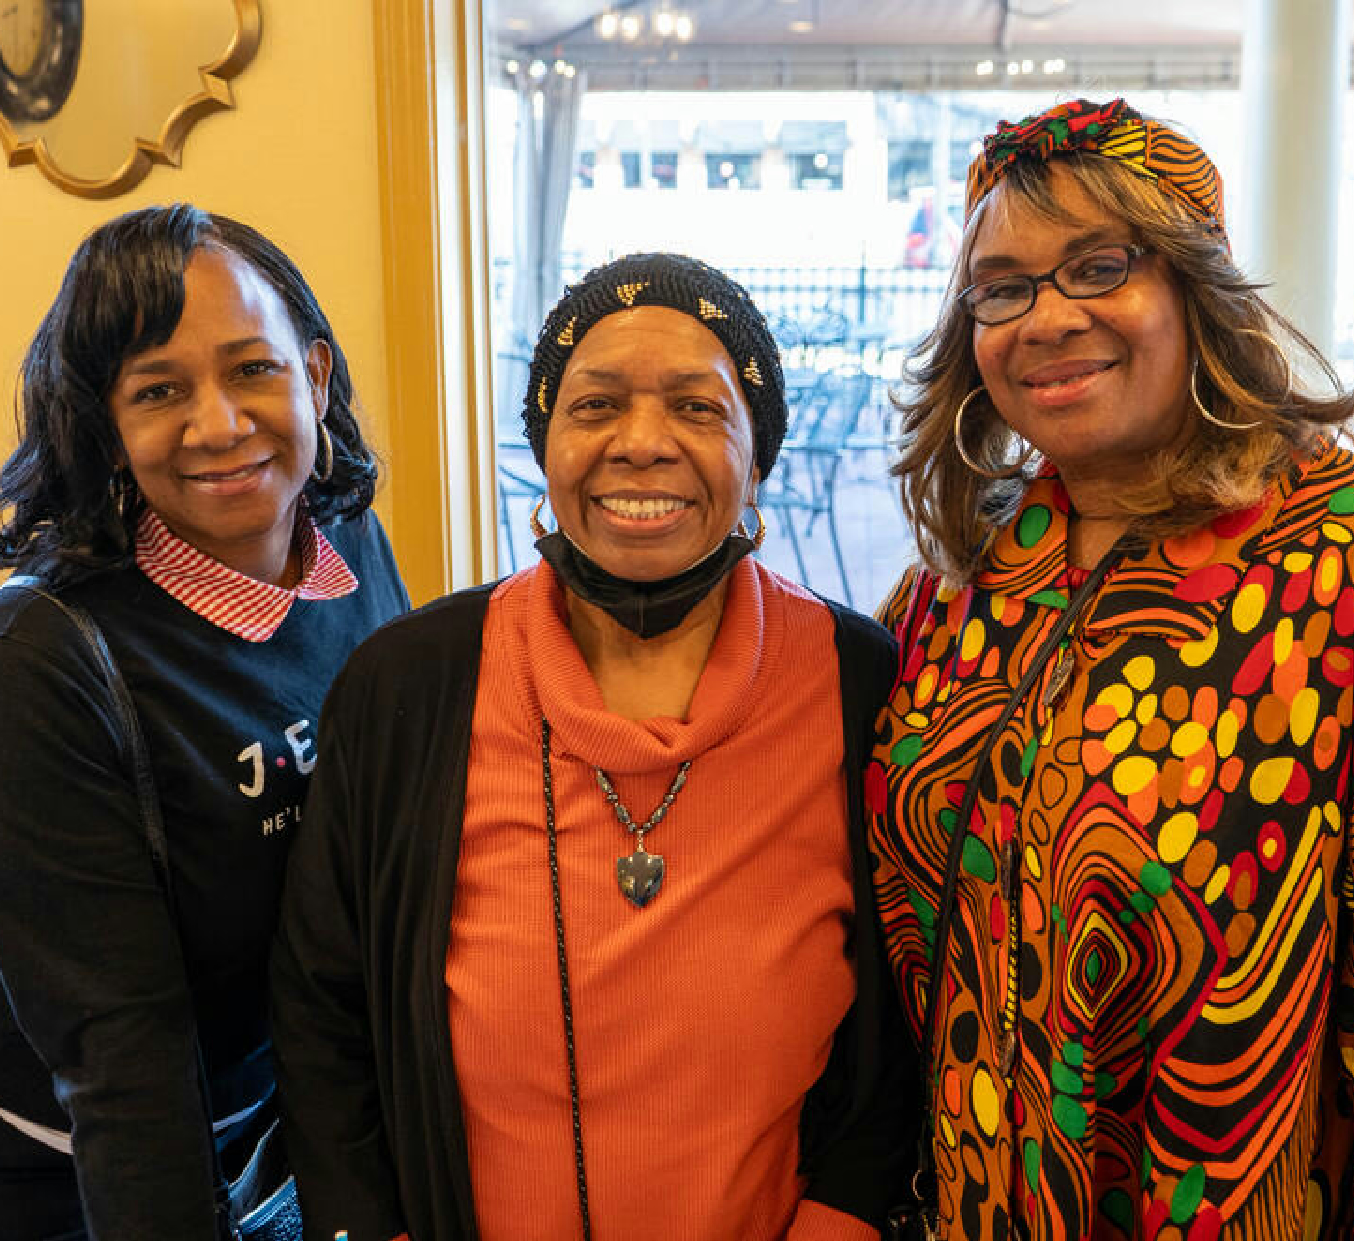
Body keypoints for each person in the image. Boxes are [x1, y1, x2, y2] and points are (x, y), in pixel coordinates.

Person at [866, 98, 1354, 1240]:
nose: (1047, 317)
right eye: (1002, 286)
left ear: (1198, 288)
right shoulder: (964, 575)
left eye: (1099, 266)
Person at [271, 253, 914, 1241]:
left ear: (757, 455)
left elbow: (904, 1018)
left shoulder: (859, 679)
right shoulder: (406, 685)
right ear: (546, 445)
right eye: (596, 405)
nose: (642, 443)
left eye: (697, 407)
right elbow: (323, 1010)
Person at [0, 205, 411, 1240]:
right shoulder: (32, 662)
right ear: (104, 423)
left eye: (253, 369)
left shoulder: (347, 539)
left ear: (315, 375)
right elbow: (121, 1051)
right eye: (159, 390)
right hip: (40, 1156)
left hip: (253, 1111)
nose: (219, 424)